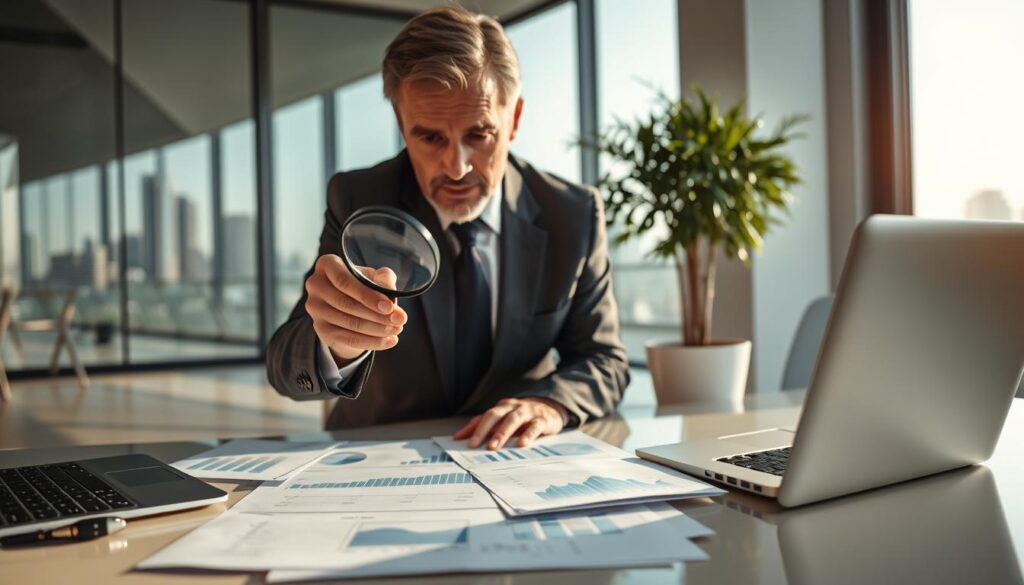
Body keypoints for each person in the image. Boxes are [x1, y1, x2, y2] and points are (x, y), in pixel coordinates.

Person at [266, 5, 629, 450]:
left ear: (513, 119)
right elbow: (285, 369)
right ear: (401, 125)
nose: (456, 168)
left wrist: (548, 405)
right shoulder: (359, 198)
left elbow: (604, 361)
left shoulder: (572, 213)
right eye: (431, 137)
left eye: (479, 135)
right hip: (374, 463)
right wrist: (334, 341)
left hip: (515, 463)